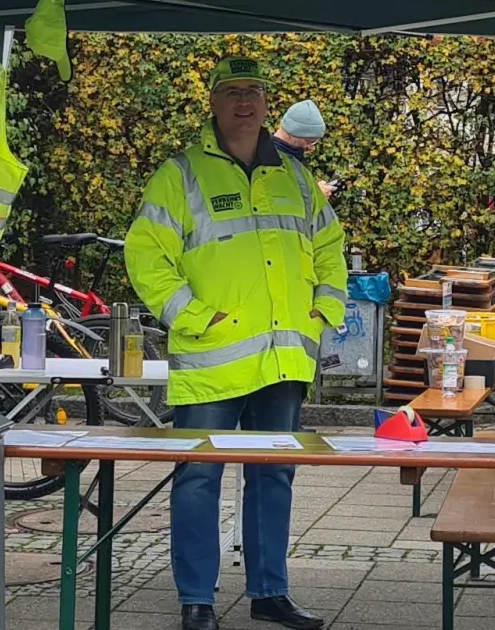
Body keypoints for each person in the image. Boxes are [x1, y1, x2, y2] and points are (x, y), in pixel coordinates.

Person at [126, 57, 348, 630]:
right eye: (232, 93)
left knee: (273, 472)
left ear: (267, 104)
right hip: (212, 358)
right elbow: (146, 256)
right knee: (199, 476)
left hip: (282, 359)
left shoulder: (295, 178)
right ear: (215, 103)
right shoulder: (181, 174)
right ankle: (196, 599)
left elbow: (330, 248)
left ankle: (269, 591)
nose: (244, 103)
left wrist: (323, 312)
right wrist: (193, 315)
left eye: (253, 93)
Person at [272, 99, 338, 198]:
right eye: (310, 141)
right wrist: (314, 195)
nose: (311, 147)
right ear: (293, 133)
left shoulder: (290, 157)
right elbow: (275, 204)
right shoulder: (269, 160)